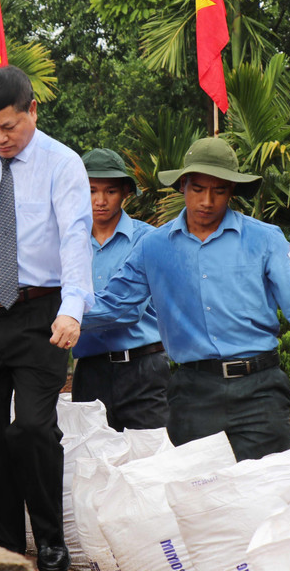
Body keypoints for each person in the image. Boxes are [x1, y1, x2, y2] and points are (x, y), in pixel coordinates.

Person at [82, 137, 290, 461]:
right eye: (198, 188)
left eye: (218, 190)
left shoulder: (265, 240)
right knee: (199, 501)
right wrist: (59, 316)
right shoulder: (154, 247)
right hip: (192, 395)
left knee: (264, 492)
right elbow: (115, 303)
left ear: (232, 191)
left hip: (260, 393)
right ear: (182, 186)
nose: (207, 200)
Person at [0, 66, 92, 571]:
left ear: (32, 110)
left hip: (42, 314)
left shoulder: (63, 164)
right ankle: (3, 549)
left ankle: (50, 541)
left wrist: (73, 310)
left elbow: (77, 239)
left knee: (33, 429)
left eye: (9, 127)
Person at [72, 148, 169, 431]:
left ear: (125, 191)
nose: (100, 201)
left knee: (149, 463)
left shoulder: (147, 239)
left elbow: (127, 310)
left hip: (144, 369)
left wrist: (64, 316)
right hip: (89, 371)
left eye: (110, 191)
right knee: (92, 463)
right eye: (90, 190)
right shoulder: (66, 244)